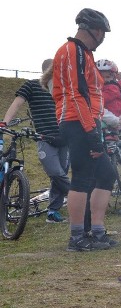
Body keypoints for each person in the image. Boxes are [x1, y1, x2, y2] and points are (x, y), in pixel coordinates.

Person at [52, 8, 117, 251]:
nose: (103, 38)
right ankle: (76, 237)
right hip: (76, 121)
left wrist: (95, 126)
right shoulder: (72, 50)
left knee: (106, 175)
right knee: (81, 177)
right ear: (95, 30)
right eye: (103, 33)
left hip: (88, 122)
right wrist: (90, 131)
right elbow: (76, 93)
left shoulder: (85, 54)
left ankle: (96, 231)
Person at [2, 58, 70, 224]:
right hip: (44, 138)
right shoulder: (32, 85)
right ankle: (81, 197)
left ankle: (53, 211)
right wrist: (4, 122)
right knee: (56, 173)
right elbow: (17, 103)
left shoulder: (64, 89)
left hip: (65, 138)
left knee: (59, 176)